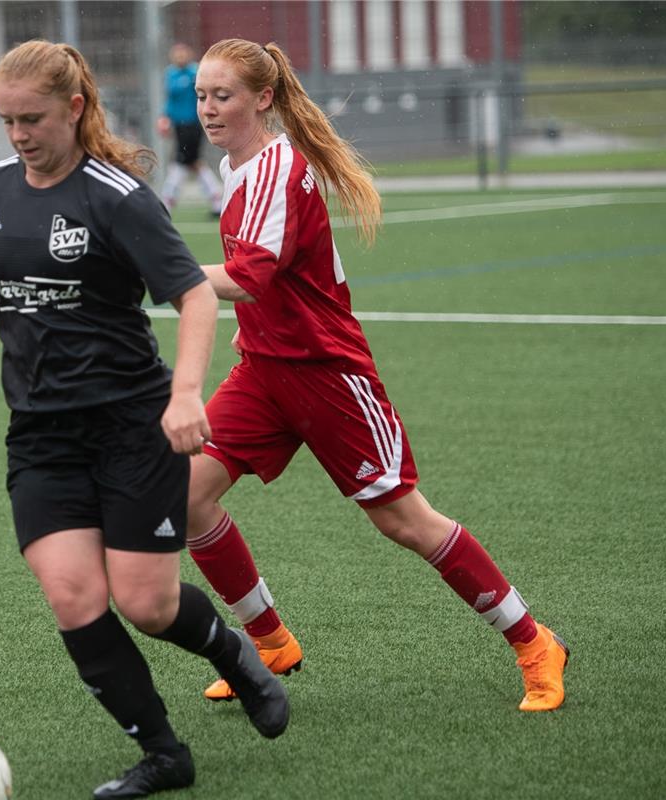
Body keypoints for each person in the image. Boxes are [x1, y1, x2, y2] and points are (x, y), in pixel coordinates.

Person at [0, 40, 290, 799]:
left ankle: (234, 656)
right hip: (41, 436)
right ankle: (164, 754)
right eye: (5, 120)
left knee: (147, 605)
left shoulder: (117, 196)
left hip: (133, 427)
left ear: (73, 108)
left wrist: (186, 392)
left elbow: (194, 295)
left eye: (31, 118)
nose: (18, 134)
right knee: (73, 596)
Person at [183, 39, 571, 713]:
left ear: (262, 99)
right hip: (264, 372)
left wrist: (158, 274)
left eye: (222, 96)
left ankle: (534, 641)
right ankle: (269, 643)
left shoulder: (278, 168)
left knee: (404, 522)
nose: (208, 110)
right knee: (182, 494)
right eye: (200, 97)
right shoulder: (233, 165)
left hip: (328, 376)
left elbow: (249, 279)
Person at [157, 43, 222, 217]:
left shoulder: (196, 73)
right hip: (179, 125)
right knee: (193, 162)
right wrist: (165, 117)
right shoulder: (170, 74)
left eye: (182, 54)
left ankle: (166, 202)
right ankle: (217, 200)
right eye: (176, 54)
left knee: (181, 161)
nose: (179, 57)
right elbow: (171, 99)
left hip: (193, 124)